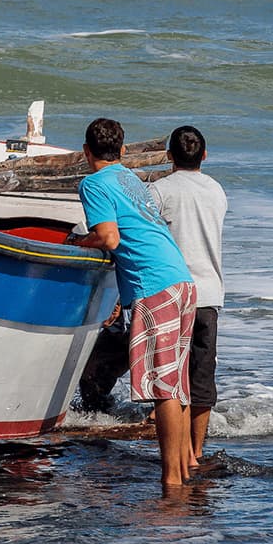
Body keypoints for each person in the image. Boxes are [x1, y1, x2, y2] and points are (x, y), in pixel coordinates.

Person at [72, 118, 198, 488]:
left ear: (85, 151)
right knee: (177, 385)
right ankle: (182, 472)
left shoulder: (93, 183)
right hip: (181, 281)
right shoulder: (130, 178)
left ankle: (170, 482)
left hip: (154, 286)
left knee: (162, 389)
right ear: (123, 151)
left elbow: (109, 238)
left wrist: (78, 243)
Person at [150, 126, 228, 461]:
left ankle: (177, 453)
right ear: (205, 156)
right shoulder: (216, 190)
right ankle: (195, 453)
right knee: (201, 375)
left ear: (169, 156)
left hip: (172, 294)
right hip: (209, 294)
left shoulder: (160, 191)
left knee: (171, 375)